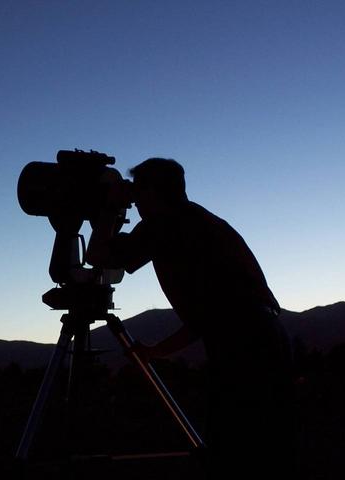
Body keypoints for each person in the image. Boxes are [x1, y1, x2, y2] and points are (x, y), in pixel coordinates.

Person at [86, 158, 295, 479]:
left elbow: (100, 256)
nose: (134, 198)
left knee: (235, 452)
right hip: (266, 337)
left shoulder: (164, 224)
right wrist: (156, 351)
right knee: (260, 450)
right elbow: (211, 315)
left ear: (154, 192)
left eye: (138, 191)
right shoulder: (198, 221)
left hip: (244, 345)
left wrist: (106, 210)